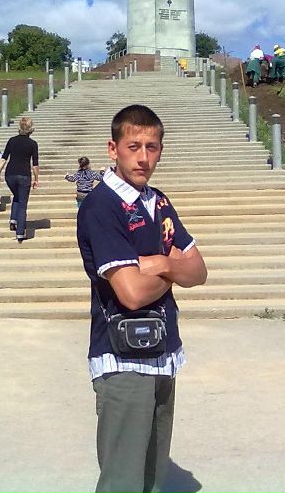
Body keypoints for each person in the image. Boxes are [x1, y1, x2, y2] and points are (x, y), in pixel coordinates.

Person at [76, 105, 208, 493]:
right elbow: (131, 294)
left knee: (153, 477)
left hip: (164, 351)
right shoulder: (101, 206)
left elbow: (199, 272)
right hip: (123, 359)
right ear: (113, 148)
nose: (143, 157)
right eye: (133, 146)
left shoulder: (159, 202)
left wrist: (160, 264)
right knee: (123, 480)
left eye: (152, 147)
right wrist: (174, 268)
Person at [0, 117, 39, 242]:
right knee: (22, 204)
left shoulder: (12, 140)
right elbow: (35, 164)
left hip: (10, 175)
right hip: (24, 175)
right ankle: (20, 233)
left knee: (17, 196)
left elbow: (3, 158)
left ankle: (13, 220)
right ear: (31, 129)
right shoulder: (32, 144)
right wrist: (36, 178)